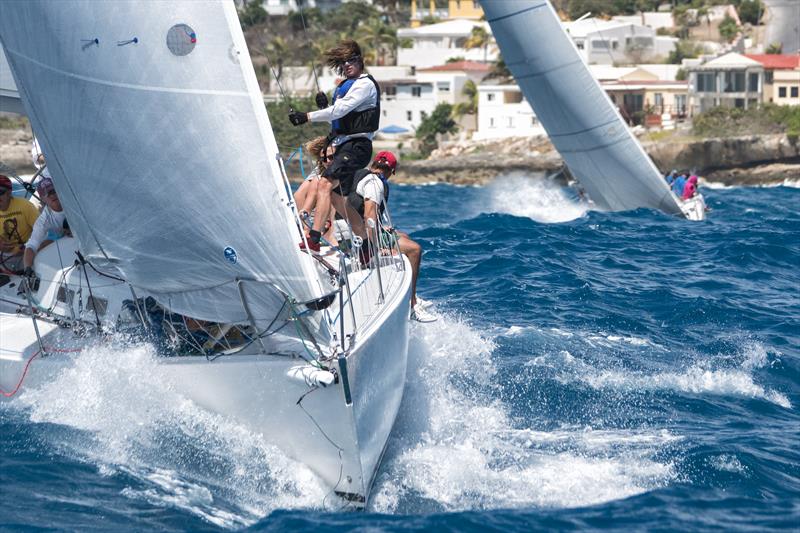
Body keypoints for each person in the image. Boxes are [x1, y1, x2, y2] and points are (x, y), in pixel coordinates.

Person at [288, 39, 380, 252]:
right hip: (343, 145)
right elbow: (338, 118)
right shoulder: (346, 86)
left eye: (352, 60)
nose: (348, 64)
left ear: (361, 61)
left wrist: (307, 116)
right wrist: (324, 107)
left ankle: (314, 239)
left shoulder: (364, 85)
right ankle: (367, 242)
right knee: (339, 201)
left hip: (357, 146)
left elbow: (341, 111)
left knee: (324, 184)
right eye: (344, 62)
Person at [347, 151, 435, 322]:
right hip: (360, 236)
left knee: (403, 235)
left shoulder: (359, 175)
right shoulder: (375, 183)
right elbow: (369, 216)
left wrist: (383, 229)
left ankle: (411, 293)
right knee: (415, 250)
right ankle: (412, 303)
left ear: (374, 164)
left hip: (353, 229)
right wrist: (374, 247)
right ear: (390, 172)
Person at [22, 177, 70, 281]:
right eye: (46, 193)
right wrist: (27, 269)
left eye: (53, 191)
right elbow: (32, 245)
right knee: (43, 245)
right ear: (42, 198)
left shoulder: (73, 201)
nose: (52, 195)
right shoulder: (43, 221)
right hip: (67, 241)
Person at [0, 174, 39, 274]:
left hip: (27, 255)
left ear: (9, 193)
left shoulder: (25, 206)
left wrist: (28, 247)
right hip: (4, 258)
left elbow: (44, 231)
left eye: (1, 192)